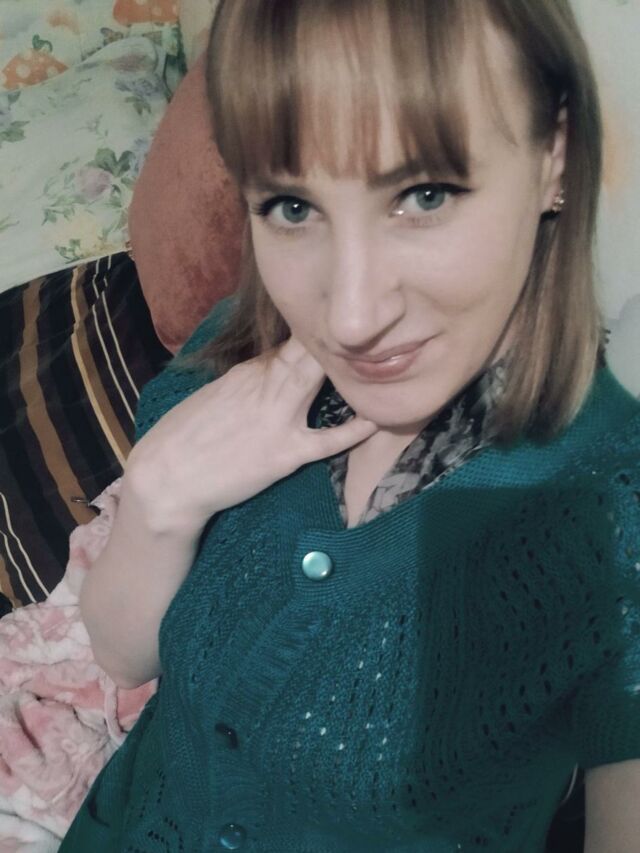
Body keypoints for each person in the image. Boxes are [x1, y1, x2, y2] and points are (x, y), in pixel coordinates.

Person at [60, 1, 640, 851]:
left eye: (424, 194)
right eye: (292, 207)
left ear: (555, 153)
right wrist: (158, 498)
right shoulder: (240, 356)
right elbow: (123, 657)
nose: (352, 316)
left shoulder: (610, 512)